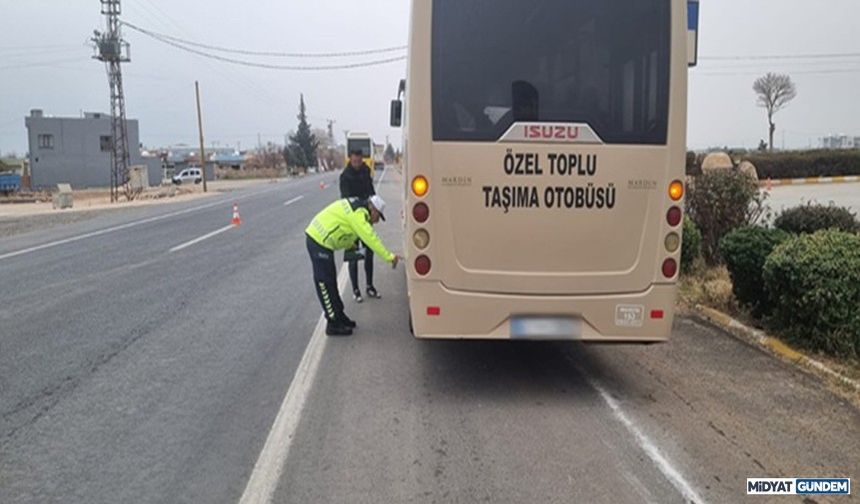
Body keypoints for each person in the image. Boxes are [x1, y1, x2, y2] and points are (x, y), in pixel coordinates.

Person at [305, 195, 402, 336]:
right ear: (373, 209)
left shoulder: (358, 208)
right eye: (378, 216)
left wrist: (350, 244)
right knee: (325, 284)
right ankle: (332, 324)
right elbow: (371, 238)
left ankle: (339, 316)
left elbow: (344, 227)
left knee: (332, 283)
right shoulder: (359, 214)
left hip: (323, 242)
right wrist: (389, 257)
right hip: (318, 241)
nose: (377, 221)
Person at [340, 148, 379, 303]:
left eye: (359, 161)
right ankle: (355, 290)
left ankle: (370, 286)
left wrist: (375, 206)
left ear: (362, 159)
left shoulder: (365, 171)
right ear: (350, 159)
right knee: (353, 256)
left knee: (369, 252)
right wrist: (364, 203)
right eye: (354, 161)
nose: (357, 164)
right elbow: (346, 200)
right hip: (351, 221)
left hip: (366, 219)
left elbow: (371, 191)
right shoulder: (345, 176)